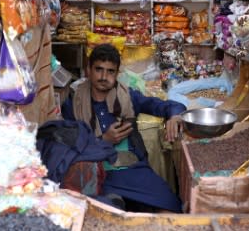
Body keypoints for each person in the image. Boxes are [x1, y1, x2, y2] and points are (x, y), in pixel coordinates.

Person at [61, 44, 185, 213]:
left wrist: (175, 115)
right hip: (96, 173)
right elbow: (69, 150)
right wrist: (104, 140)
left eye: (110, 71)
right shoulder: (73, 104)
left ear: (117, 74)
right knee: (101, 214)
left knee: (171, 210)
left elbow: (163, 105)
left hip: (133, 171)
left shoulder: (128, 97)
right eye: (99, 69)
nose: (104, 77)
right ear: (88, 70)